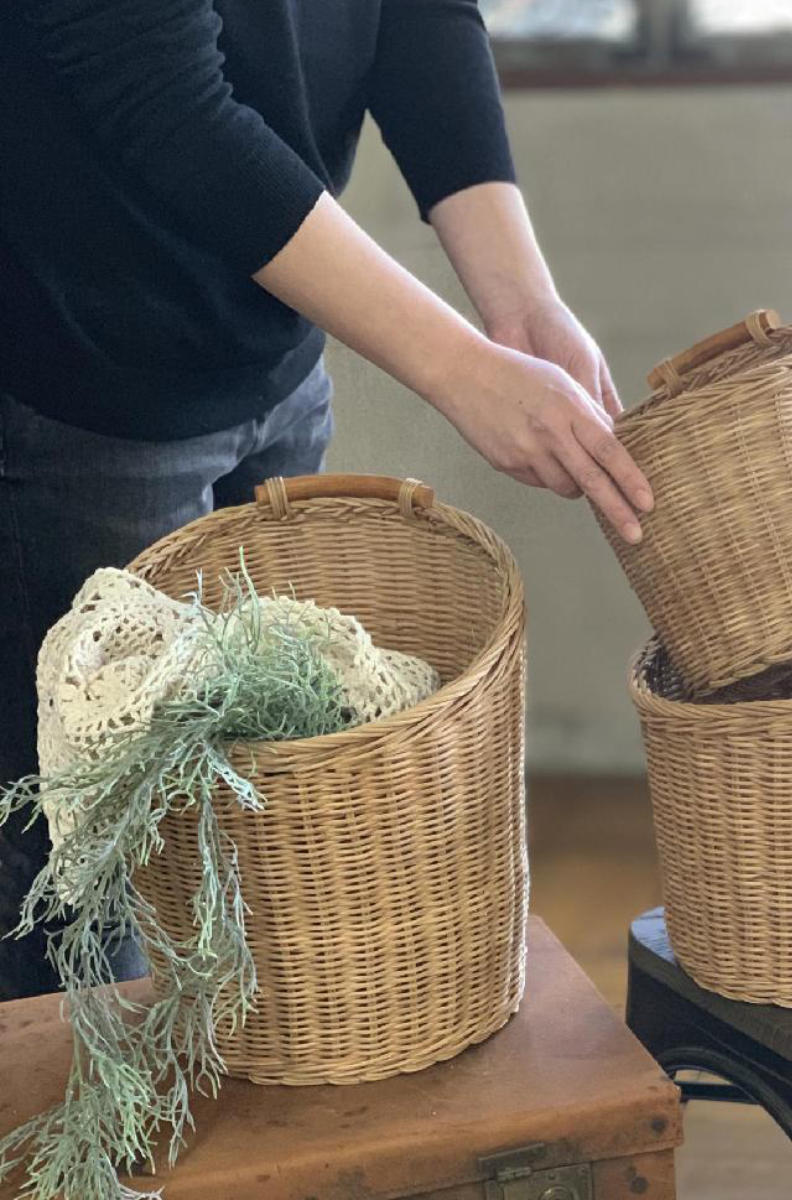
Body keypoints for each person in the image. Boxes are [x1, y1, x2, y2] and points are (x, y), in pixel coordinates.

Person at [0, 0, 654, 1000]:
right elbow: (164, 102)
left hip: (274, 355)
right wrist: (464, 370)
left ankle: (258, 1129)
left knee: (268, 812)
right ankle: (87, 1154)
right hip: (91, 381)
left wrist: (526, 306)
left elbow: (419, 18)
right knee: (85, 869)